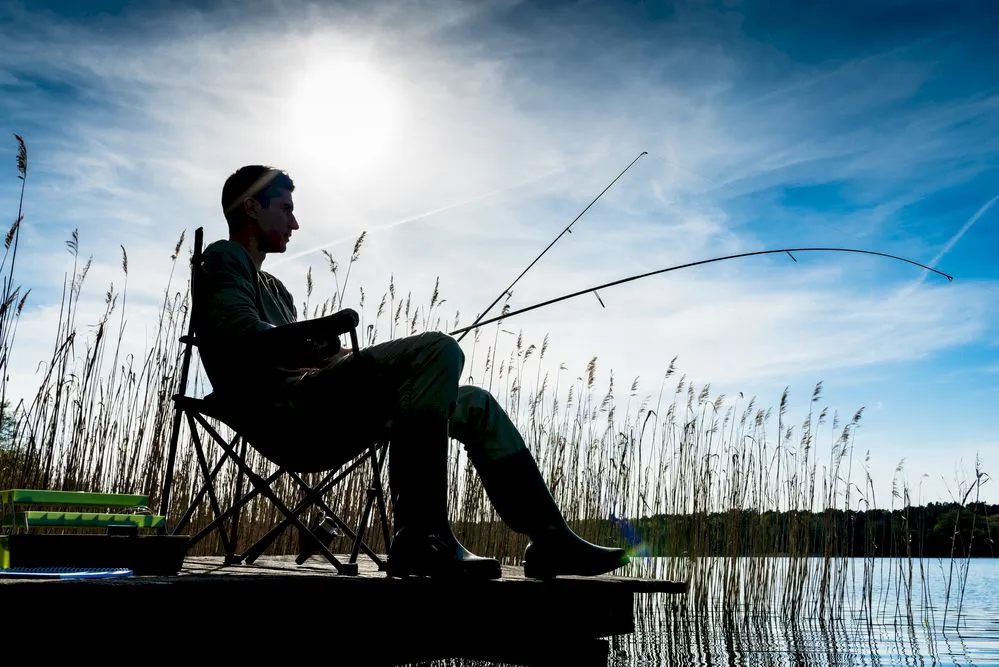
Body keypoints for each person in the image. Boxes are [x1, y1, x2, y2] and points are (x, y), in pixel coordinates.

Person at [192, 164, 630, 580]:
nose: (295, 223)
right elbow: (242, 337)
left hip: (321, 404)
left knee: (476, 404)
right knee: (437, 349)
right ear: (251, 207)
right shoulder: (223, 258)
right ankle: (421, 536)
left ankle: (551, 539)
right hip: (286, 413)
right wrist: (320, 330)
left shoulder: (275, 288)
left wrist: (331, 351)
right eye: (285, 208)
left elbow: (296, 350)